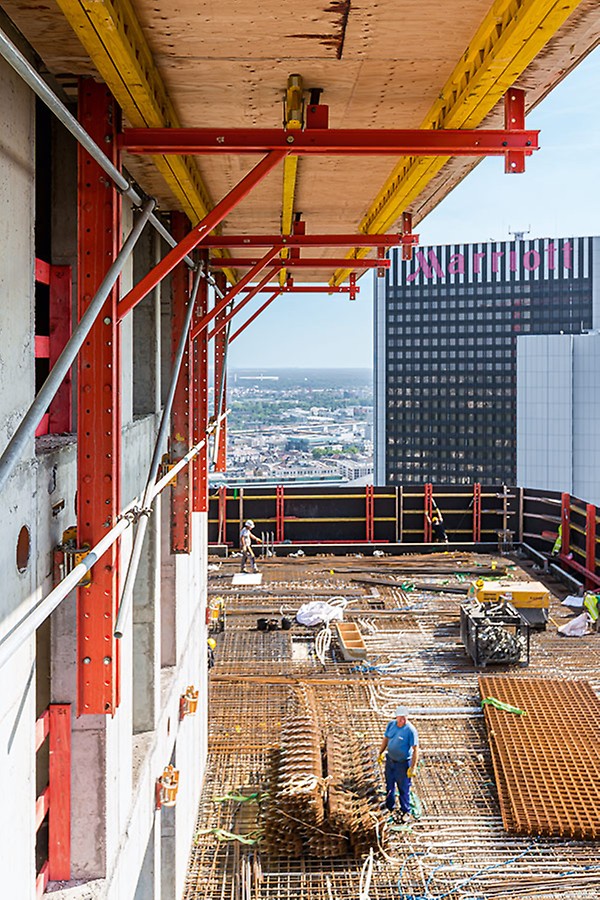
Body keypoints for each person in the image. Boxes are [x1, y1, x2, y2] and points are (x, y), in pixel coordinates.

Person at [378, 706, 419, 821]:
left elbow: (416, 749)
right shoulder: (391, 725)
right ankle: (389, 807)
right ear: (396, 717)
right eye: (401, 718)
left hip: (403, 763)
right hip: (390, 760)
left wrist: (413, 767)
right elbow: (386, 739)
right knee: (389, 785)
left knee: (403, 788)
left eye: (405, 718)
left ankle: (406, 811)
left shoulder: (410, 730)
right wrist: (380, 752)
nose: (403, 721)